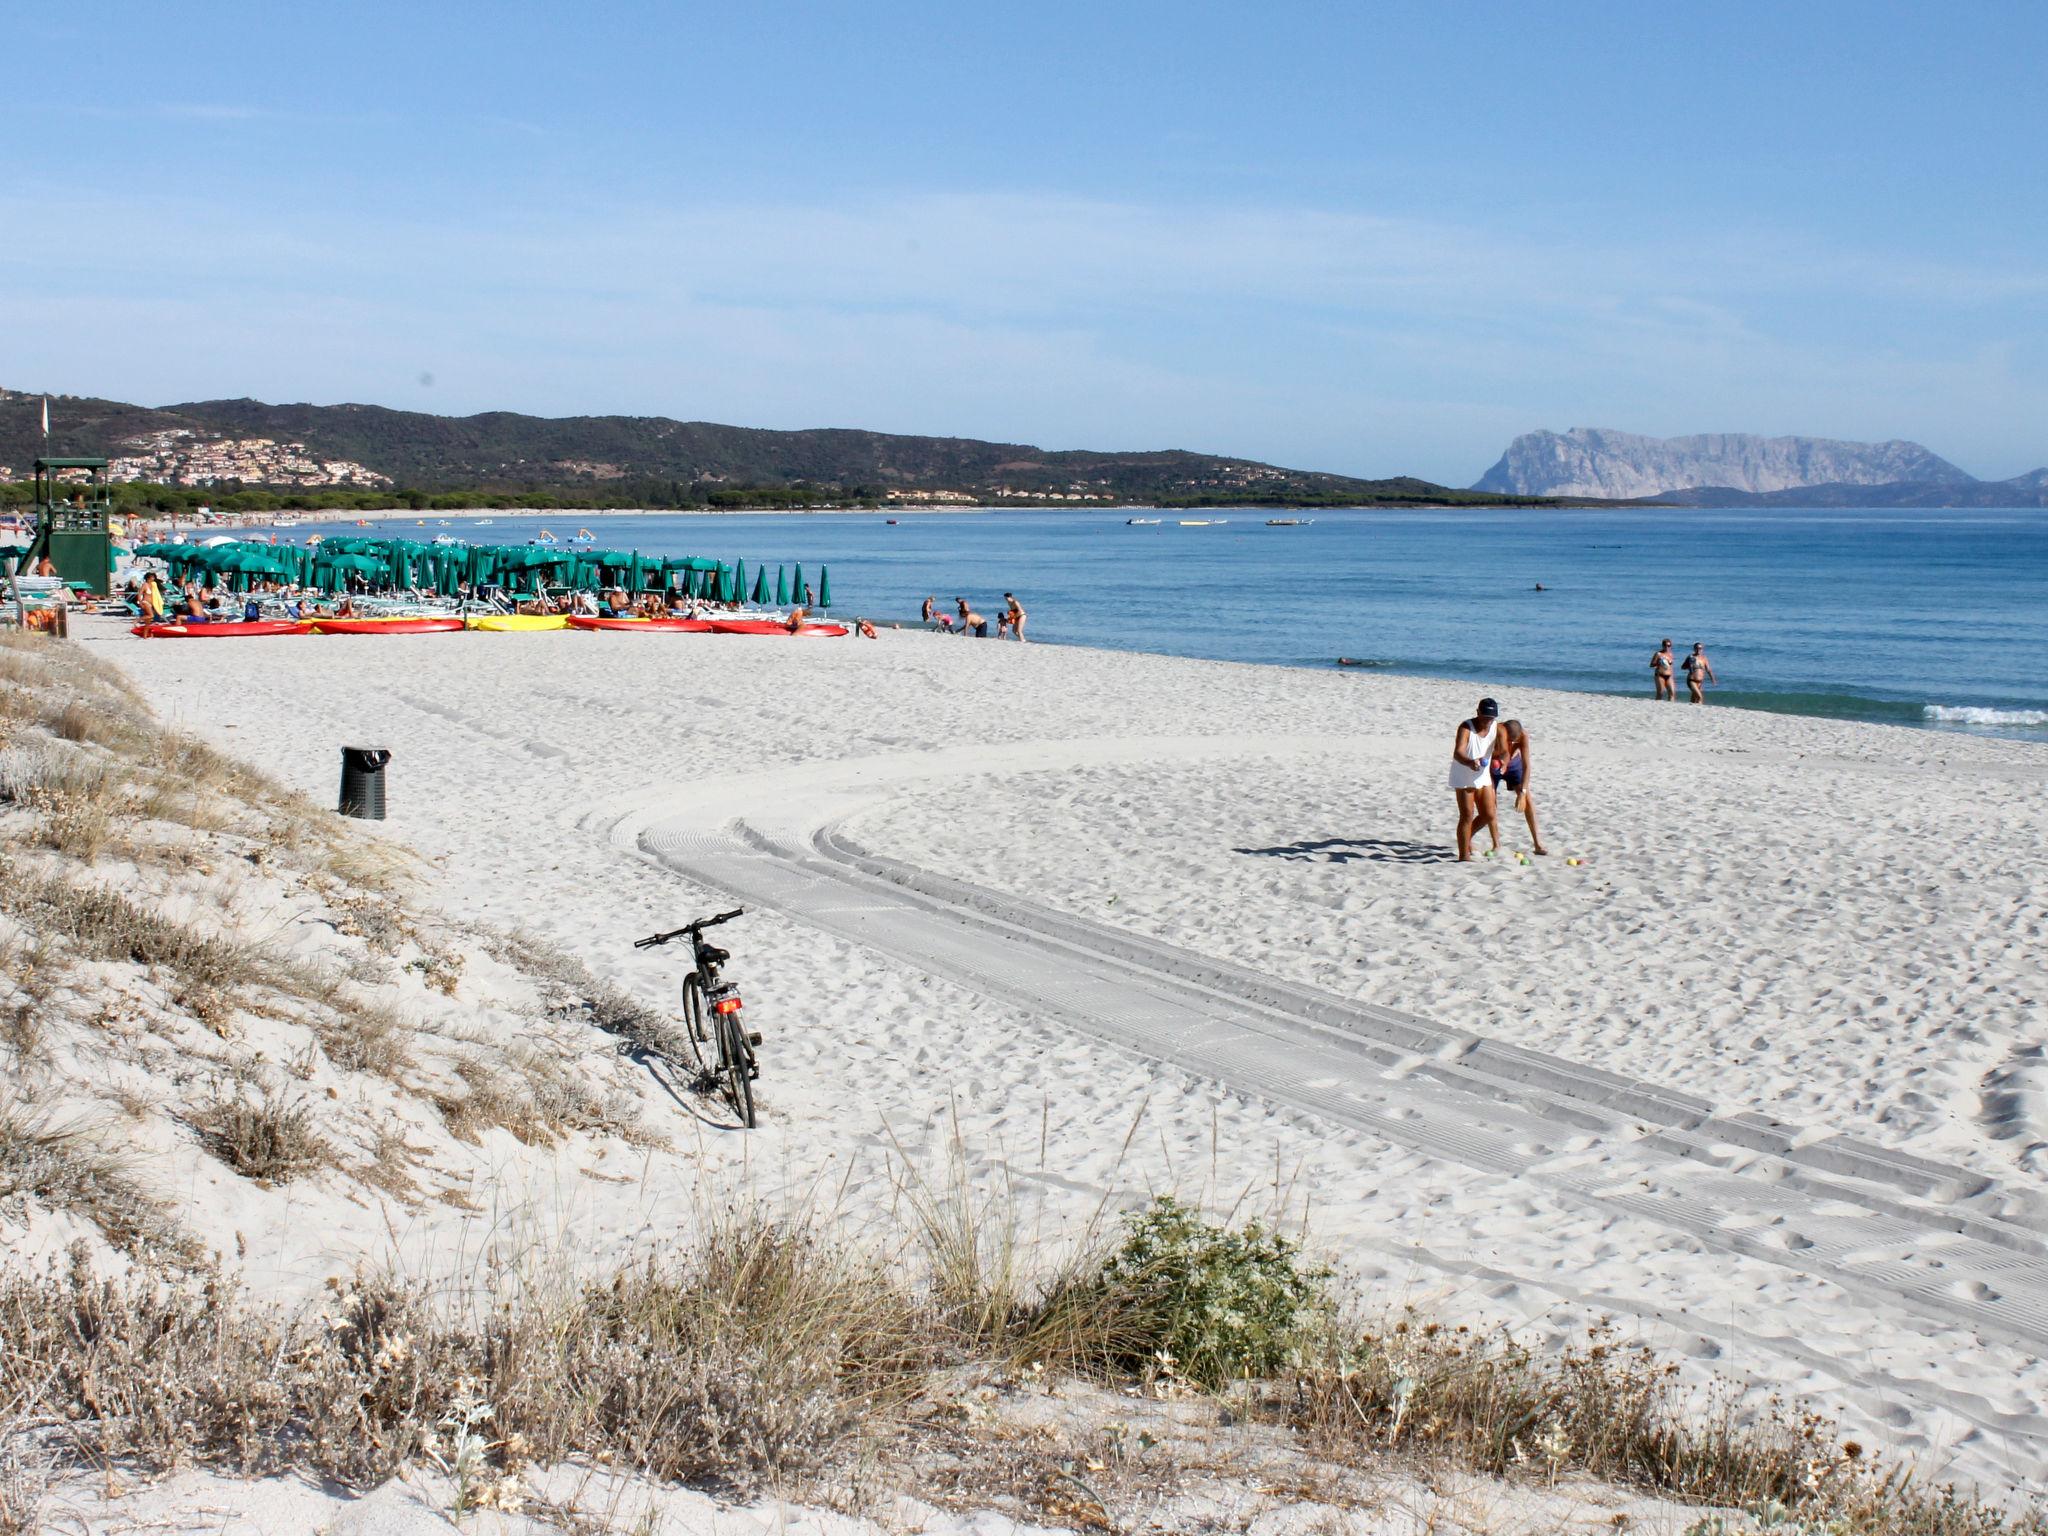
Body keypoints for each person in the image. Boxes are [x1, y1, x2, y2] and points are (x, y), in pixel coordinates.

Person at [1449, 697, 1502, 862]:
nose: (1488, 721)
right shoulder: (1466, 727)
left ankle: (1467, 837)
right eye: (1485, 717)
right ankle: (1464, 855)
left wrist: (1503, 763)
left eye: (1491, 718)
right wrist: (1470, 762)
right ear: (1478, 713)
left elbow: (1505, 750)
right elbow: (1458, 752)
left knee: (1489, 814)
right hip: (1464, 774)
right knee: (1467, 815)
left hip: (1483, 774)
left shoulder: (1496, 727)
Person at [1490, 719, 1547, 854]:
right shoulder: (1496, 730)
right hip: (1494, 764)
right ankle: (1496, 844)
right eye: (1508, 741)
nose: (1510, 744)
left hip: (1514, 765)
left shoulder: (1523, 736)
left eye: (1513, 742)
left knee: (1527, 800)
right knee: (1491, 803)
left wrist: (1522, 793)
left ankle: (1538, 844)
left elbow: (1527, 766)